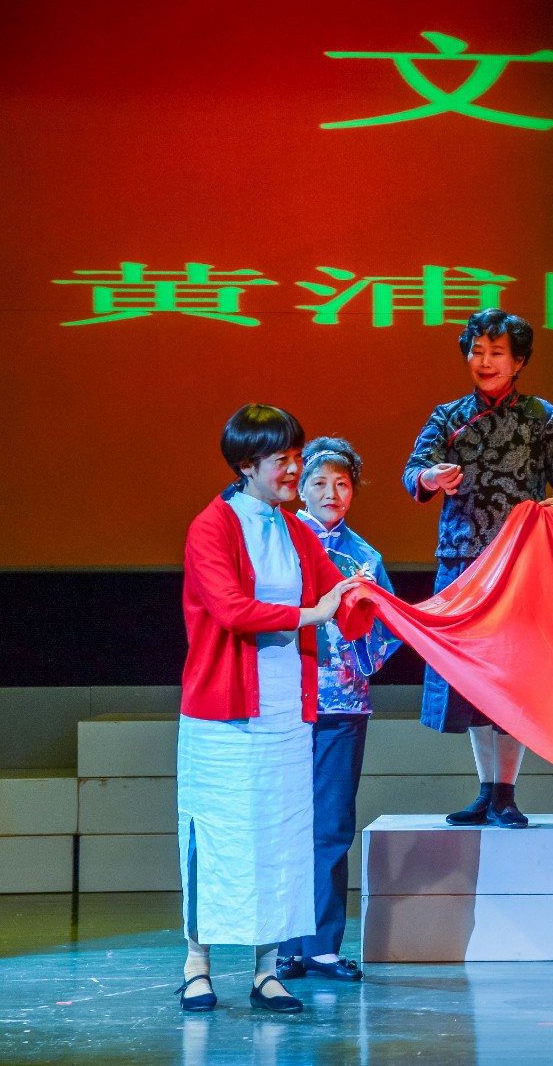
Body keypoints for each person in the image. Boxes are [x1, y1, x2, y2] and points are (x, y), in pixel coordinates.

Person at [176, 404, 359, 1014]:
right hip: (223, 714)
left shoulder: (296, 530)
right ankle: (197, 966)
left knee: (281, 837)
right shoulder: (213, 526)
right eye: (283, 459)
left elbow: (337, 593)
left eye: (296, 457)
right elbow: (230, 609)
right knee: (217, 837)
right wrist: (311, 615)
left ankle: (266, 970)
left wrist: (385, 607)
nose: (294, 470)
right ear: (247, 464)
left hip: (285, 713)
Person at [404, 308, 553, 828]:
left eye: (497, 353)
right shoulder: (448, 415)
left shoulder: (542, 417)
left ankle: (506, 791)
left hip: (520, 564)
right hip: (462, 561)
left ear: (519, 361)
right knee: (471, 679)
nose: (485, 362)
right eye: (477, 351)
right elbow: (413, 470)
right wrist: (431, 478)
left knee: (514, 676)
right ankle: (486, 790)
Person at [277, 437, 403, 984]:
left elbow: (386, 635)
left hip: (342, 705)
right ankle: (283, 948)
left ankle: (323, 948)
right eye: (320, 483)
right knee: (285, 823)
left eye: (342, 483)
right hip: (283, 701)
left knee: (331, 825)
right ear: (300, 489)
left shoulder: (364, 558)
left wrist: (361, 618)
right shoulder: (278, 542)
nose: (332, 493)